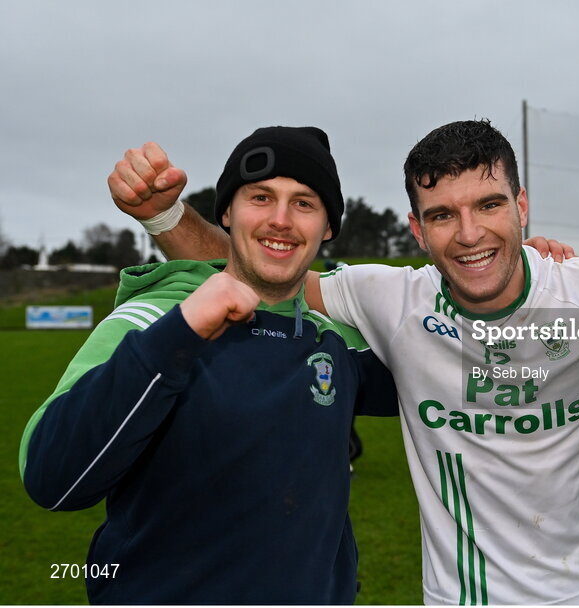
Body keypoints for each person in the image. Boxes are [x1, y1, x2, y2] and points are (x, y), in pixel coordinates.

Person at [111, 120, 579, 604]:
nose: (469, 234)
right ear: (416, 228)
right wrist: (166, 217)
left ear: (522, 205)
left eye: (489, 206)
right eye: (442, 215)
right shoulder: (389, 300)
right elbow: (261, 271)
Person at [19, 127, 398, 604]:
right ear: (226, 212)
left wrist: (520, 290)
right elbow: (53, 479)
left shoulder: (338, 336)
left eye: (304, 203)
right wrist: (179, 335)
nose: (280, 219)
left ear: (327, 227)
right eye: (261, 197)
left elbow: (474, 381)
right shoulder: (152, 317)